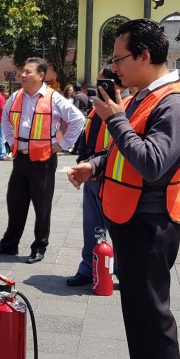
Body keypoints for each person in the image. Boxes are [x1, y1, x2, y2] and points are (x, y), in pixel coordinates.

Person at [67, 19, 180, 359]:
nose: (115, 67)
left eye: (119, 58)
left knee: (155, 314)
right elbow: (121, 151)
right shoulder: (142, 97)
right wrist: (93, 167)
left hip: (151, 223)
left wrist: (114, 117)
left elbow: (151, 162)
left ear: (145, 56)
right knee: (136, 306)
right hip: (127, 217)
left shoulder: (177, 102)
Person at [0, 57, 85, 264]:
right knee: (15, 202)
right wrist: (12, 141)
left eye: (28, 72)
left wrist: (63, 144)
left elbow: (78, 119)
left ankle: (39, 246)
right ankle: (9, 244)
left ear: (41, 75)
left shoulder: (53, 98)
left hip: (43, 160)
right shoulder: (16, 96)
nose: (23, 75)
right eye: (23, 71)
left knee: (42, 205)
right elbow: (5, 118)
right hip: (20, 158)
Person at [66, 67, 122, 288]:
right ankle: (88, 267)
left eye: (103, 81)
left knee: (117, 230)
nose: (98, 85)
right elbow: (87, 138)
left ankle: (120, 271)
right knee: (91, 227)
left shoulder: (123, 107)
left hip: (112, 177)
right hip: (92, 176)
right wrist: (82, 164)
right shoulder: (95, 107)